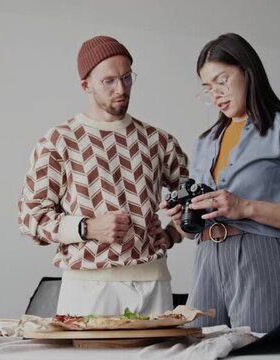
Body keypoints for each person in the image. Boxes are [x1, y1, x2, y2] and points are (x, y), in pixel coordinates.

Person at [161, 33, 280, 333]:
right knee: (200, 348)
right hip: (206, 261)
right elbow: (193, 228)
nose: (216, 94)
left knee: (261, 350)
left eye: (222, 81)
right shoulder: (205, 142)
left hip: (263, 259)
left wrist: (245, 207)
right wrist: (184, 219)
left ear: (248, 71)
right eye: (207, 88)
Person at [18, 35, 188, 316]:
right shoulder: (60, 140)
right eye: (108, 81)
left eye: (126, 78)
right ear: (86, 85)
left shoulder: (158, 140)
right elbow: (31, 217)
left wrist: (172, 233)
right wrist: (87, 228)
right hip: (87, 290)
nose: (120, 89)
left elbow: (194, 198)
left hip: (154, 286)